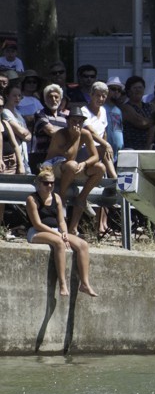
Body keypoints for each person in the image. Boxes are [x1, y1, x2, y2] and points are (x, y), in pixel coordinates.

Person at [26, 168, 96, 298]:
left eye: (52, 183)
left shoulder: (56, 197)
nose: (49, 186)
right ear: (39, 183)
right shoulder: (32, 199)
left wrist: (64, 232)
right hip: (37, 231)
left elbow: (61, 220)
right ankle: (63, 284)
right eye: (46, 183)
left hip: (55, 230)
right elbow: (37, 224)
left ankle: (85, 284)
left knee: (83, 245)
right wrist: (59, 236)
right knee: (59, 243)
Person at [45, 107, 108, 234]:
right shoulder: (60, 134)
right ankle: (62, 197)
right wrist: (75, 137)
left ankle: (82, 198)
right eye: (74, 121)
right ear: (68, 122)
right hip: (53, 166)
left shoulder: (85, 134)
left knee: (100, 168)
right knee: (72, 165)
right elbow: (68, 155)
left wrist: (84, 164)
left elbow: (95, 156)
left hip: (71, 167)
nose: (77, 125)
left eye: (80, 122)